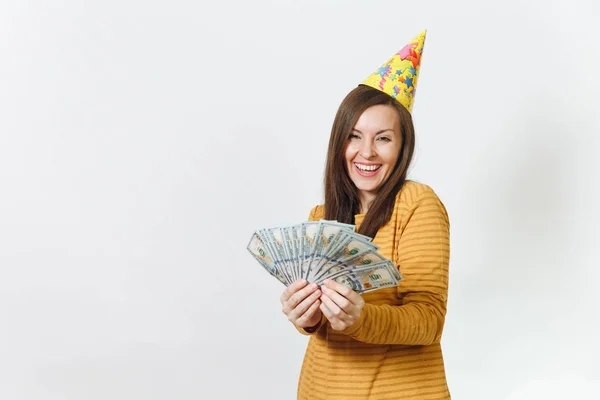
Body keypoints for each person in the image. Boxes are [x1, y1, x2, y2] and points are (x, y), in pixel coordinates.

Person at [280, 30, 452, 399]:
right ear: (339, 142)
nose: (367, 152)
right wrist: (305, 317)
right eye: (354, 136)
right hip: (320, 388)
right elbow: (321, 325)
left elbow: (428, 321)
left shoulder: (417, 204)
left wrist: (361, 318)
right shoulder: (321, 214)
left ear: (403, 146)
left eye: (383, 138)